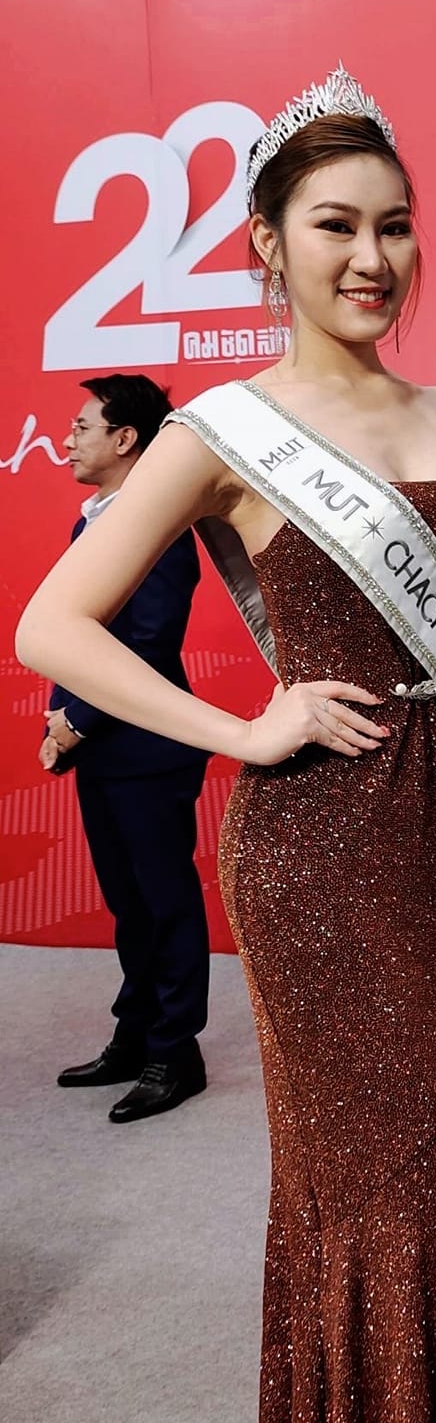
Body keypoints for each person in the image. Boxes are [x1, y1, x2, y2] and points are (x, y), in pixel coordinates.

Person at [17, 64, 436, 1423]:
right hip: (317, 850)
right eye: (336, 225)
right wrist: (241, 725)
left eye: (395, 225)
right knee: (377, 1196)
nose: (372, 256)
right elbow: (51, 623)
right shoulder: (221, 433)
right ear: (267, 243)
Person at [43, 374, 210, 1123]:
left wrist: (74, 721)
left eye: (82, 428)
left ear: (125, 438)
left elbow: (146, 647)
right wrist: (60, 719)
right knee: (128, 905)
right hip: (104, 749)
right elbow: (73, 632)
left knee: (164, 903)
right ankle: (135, 1034)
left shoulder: (158, 526)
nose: (67, 441)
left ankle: (176, 1053)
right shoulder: (98, 521)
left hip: (147, 749)